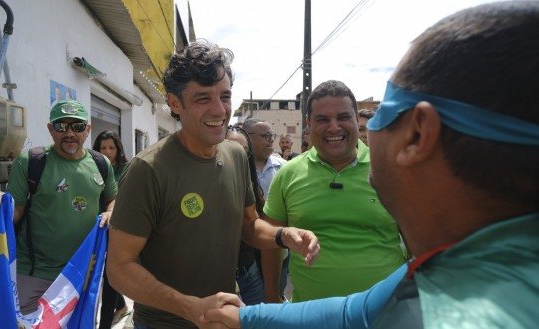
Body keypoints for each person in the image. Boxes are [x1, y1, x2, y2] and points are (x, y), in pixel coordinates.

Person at [201, 2, 539, 328]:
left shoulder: (442, 315)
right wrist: (249, 317)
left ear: (418, 134)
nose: (369, 128)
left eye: (384, 111)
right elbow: (354, 313)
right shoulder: (454, 269)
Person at [106, 40, 320, 329]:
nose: (220, 110)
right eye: (203, 98)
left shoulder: (234, 154)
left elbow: (249, 225)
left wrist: (283, 235)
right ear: (174, 103)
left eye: (225, 96)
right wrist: (189, 307)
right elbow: (119, 268)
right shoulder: (148, 169)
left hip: (224, 317)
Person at [261, 80, 405, 303]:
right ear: (308, 124)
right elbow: (272, 240)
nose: (334, 127)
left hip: (385, 314)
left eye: (343, 117)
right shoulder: (288, 173)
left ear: (356, 121)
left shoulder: (392, 170)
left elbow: (418, 243)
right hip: (308, 316)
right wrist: (272, 295)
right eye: (323, 119)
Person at [0, 100, 118, 315]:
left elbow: (112, 198)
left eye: (77, 127)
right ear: (51, 129)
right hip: (34, 272)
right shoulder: (32, 161)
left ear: (87, 130)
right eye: (61, 126)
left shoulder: (101, 163)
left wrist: (110, 212)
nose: (69, 133)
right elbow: (16, 210)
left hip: (80, 273)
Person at [242, 119, 290, 300]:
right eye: (265, 135)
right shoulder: (239, 168)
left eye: (272, 135)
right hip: (246, 251)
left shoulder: (284, 169)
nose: (270, 140)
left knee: (276, 294)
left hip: (278, 247)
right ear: (247, 137)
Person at [93, 131, 130, 328]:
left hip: (119, 230)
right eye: (103, 148)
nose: (107, 152)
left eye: (111, 148)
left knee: (109, 276)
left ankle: (105, 324)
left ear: (118, 148)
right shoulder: (94, 166)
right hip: (98, 228)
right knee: (105, 273)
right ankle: (122, 306)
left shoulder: (127, 169)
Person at [225, 126, 266, 306]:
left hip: (249, 275)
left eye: (244, 152)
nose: (238, 156)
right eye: (231, 149)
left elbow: (257, 230)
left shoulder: (253, 189)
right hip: (213, 282)